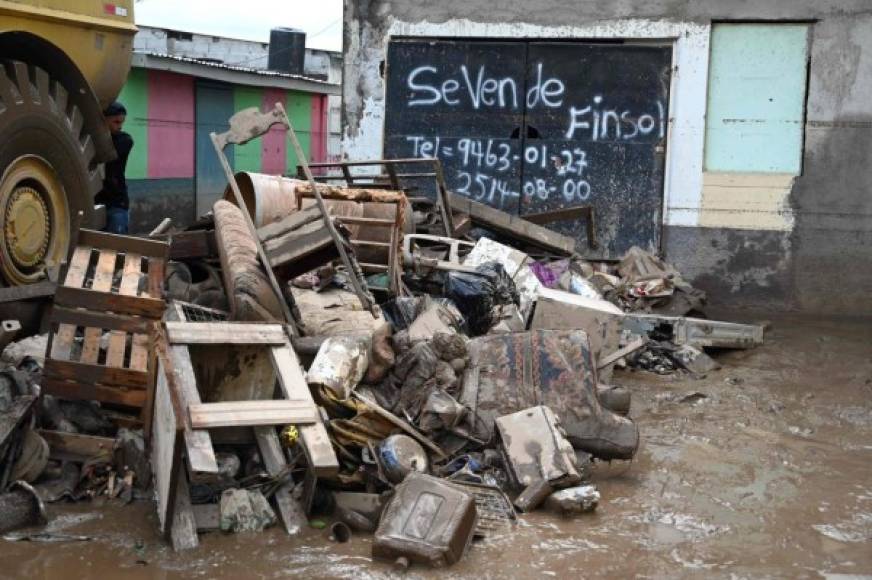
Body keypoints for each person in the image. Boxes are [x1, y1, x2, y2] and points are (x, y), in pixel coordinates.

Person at [95, 101, 133, 234]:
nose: (120, 126)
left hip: (117, 203)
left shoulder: (124, 140)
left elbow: (106, 153)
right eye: (116, 122)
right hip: (96, 202)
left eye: (121, 122)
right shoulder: (92, 139)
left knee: (117, 246)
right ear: (104, 121)